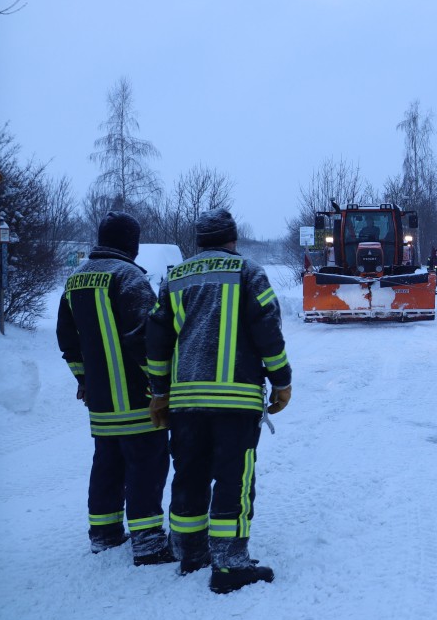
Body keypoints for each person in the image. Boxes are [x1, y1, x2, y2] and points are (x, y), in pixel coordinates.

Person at [145, 208, 292, 594]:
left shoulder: (175, 277)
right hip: (236, 399)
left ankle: (191, 553)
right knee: (233, 476)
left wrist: (159, 393)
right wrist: (282, 381)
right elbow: (268, 332)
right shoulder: (248, 272)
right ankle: (229, 565)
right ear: (232, 238)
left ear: (198, 240)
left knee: (190, 473)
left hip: (186, 401)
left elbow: (157, 341)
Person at [56, 211, 175, 566]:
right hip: (137, 398)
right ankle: (149, 542)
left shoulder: (75, 280)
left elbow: (67, 339)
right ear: (131, 243)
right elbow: (146, 339)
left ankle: (104, 533)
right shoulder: (128, 278)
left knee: (107, 462)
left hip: (101, 401)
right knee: (147, 463)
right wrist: (160, 387)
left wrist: (84, 381)